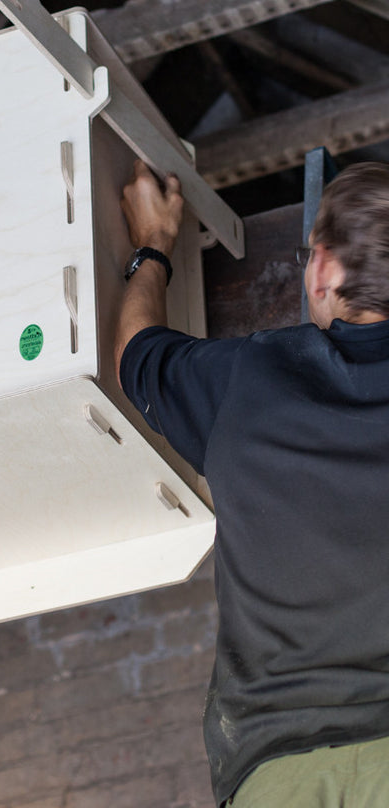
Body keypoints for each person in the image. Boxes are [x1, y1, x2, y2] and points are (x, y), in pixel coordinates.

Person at [116, 159, 389, 807]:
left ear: (322, 271)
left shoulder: (246, 378)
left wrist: (153, 244)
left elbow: (136, 354)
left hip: (280, 763)